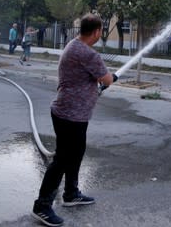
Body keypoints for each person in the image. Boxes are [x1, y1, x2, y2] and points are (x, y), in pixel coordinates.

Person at [32, 13, 117, 227]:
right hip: (71, 115)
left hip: (71, 113)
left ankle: (71, 193)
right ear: (97, 32)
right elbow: (106, 79)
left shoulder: (73, 45)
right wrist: (111, 77)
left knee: (76, 153)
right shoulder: (89, 54)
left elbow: (89, 77)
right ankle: (42, 207)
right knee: (62, 159)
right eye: (100, 32)